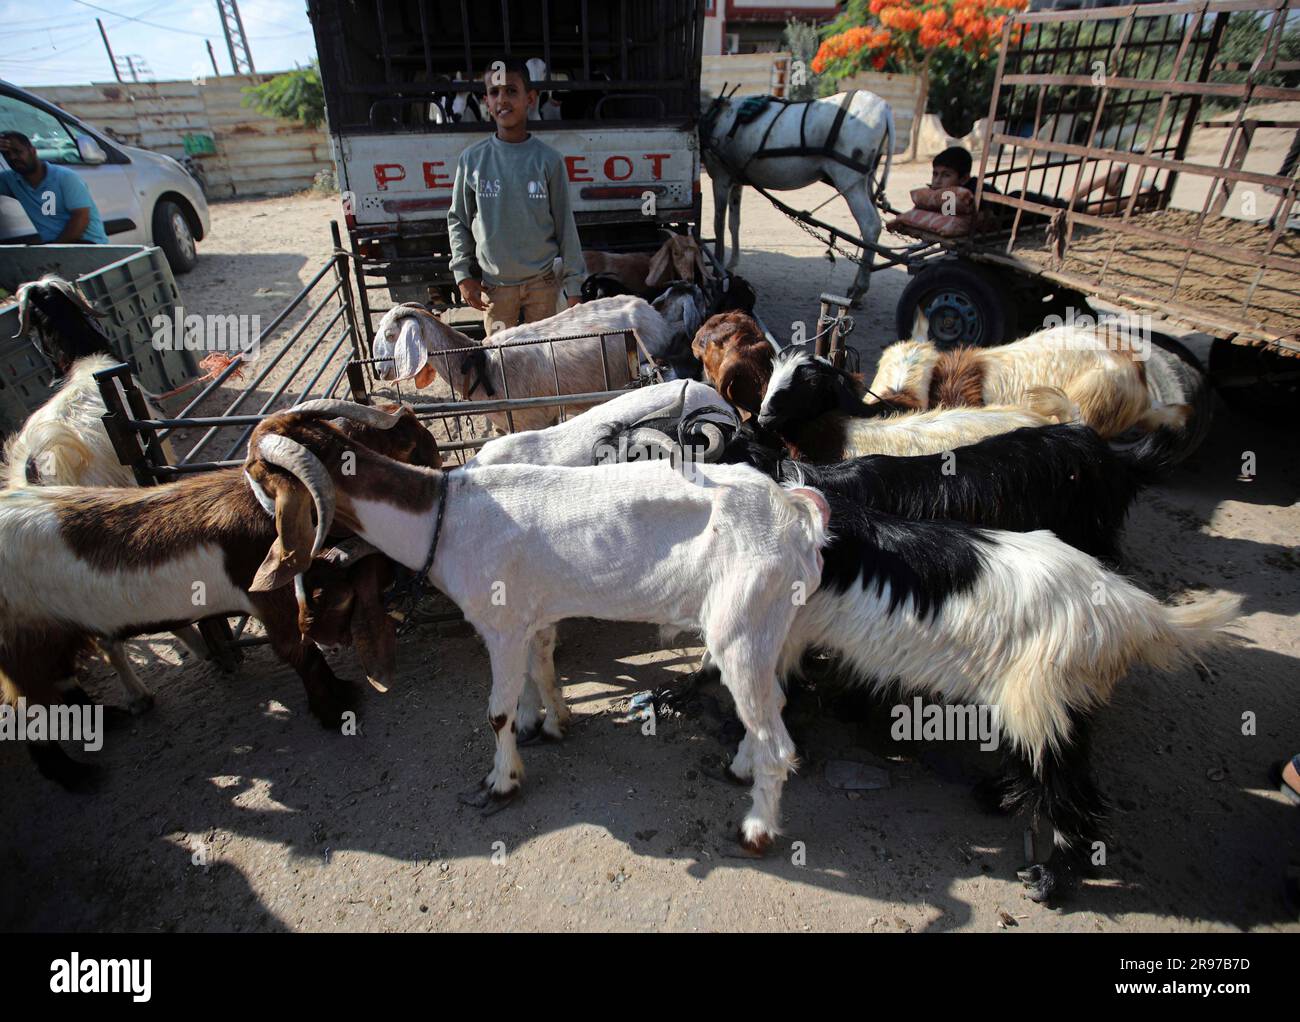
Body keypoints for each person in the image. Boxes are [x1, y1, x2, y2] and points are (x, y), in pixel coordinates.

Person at [447, 58, 584, 336]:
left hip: (543, 286)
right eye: (494, 93)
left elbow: (565, 227)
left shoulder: (549, 160)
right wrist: (463, 275)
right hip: (495, 289)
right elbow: (458, 220)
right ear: (486, 100)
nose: (502, 100)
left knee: (546, 361)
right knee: (501, 366)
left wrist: (573, 288)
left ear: (530, 98)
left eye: (511, 91)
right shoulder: (472, 161)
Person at [0, 130, 108, 245]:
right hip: (52, 246)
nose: (12, 158)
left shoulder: (65, 177)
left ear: (33, 151)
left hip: (87, 244)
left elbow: (81, 218)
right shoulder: (10, 180)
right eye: (6, 154)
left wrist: (53, 249)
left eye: (18, 152)